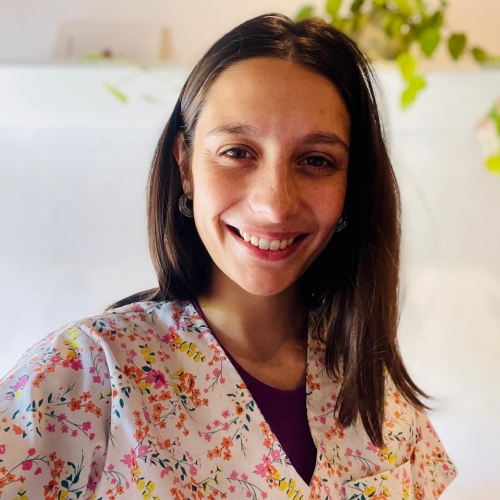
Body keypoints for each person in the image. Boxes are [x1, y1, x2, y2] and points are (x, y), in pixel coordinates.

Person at [0, 13, 456, 500]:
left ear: (351, 186)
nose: (275, 204)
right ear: (185, 165)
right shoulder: (84, 375)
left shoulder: (376, 387)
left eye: (316, 160)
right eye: (237, 152)